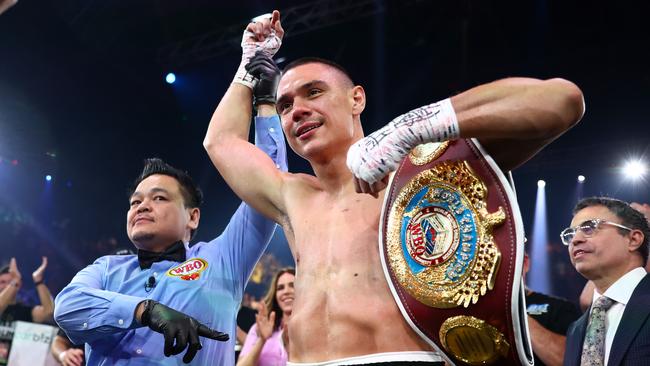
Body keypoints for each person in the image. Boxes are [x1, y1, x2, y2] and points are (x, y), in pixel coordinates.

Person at [204, 10, 584, 364]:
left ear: (357, 99)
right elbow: (219, 143)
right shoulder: (293, 195)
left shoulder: (421, 173)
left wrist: (414, 128)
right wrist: (247, 66)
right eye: (284, 105)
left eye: (314, 92)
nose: (296, 110)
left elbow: (562, 101)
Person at [54, 102, 288, 364]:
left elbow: (269, 183)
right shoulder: (106, 269)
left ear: (193, 216)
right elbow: (67, 306)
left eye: (159, 198)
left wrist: (266, 104)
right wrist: (145, 311)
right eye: (135, 202)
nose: (142, 206)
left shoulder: (224, 259)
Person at [562, 197, 650, 366]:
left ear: (633, 239)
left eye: (589, 228)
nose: (575, 240)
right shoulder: (576, 329)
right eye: (570, 234)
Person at [523, 253, 581, 366]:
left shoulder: (559, 308)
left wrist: (517, 315)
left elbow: (570, 361)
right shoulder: (479, 310)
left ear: (524, 263)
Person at [0, 257, 54, 364]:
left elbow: (49, 312)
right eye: (2, 282)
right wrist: (15, 281)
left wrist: (39, 281)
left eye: (10, 282)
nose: (6, 285)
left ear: (19, 286)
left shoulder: (25, 310)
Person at [238, 267, 294, 366]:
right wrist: (262, 340)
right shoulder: (258, 329)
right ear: (275, 295)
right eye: (280, 288)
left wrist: (290, 351)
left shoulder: (315, 329)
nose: (286, 291)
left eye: (292, 285)